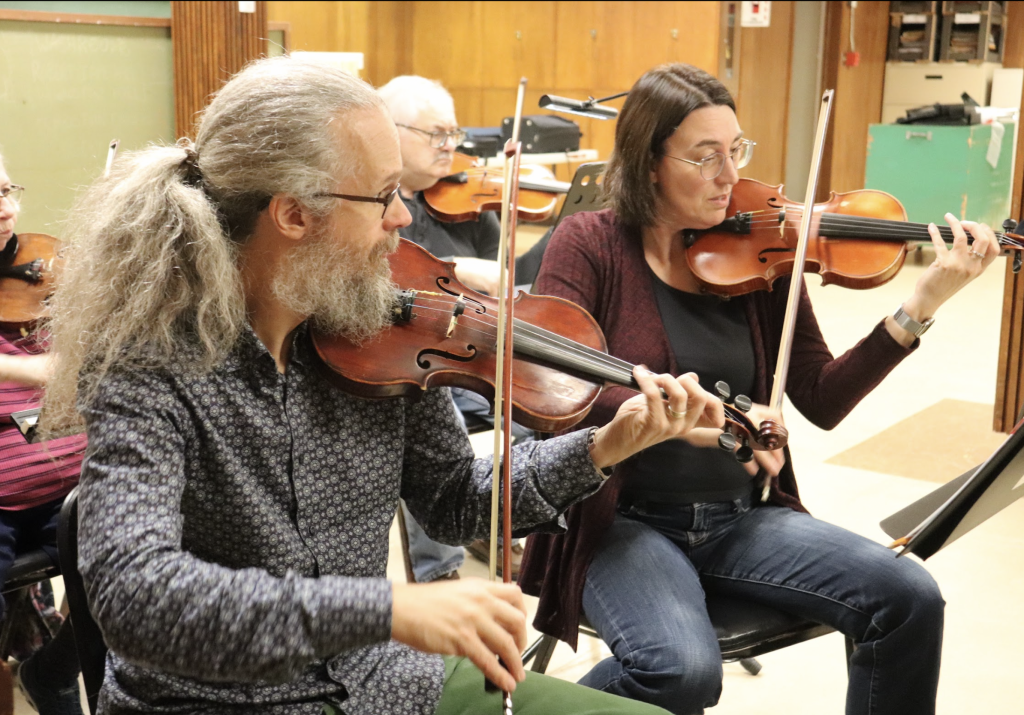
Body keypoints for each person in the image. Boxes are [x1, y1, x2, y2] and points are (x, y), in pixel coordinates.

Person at [40, 56, 727, 715]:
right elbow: (137, 596)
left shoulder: (381, 331)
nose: (404, 217)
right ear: (294, 215)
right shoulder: (151, 365)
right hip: (215, 700)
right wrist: (389, 608)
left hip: (382, 682)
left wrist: (604, 445)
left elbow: (458, 500)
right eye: (382, 196)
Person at [518, 63, 1000, 715]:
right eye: (705, 155)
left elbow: (821, 396)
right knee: (681, 672)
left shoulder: (767, 248)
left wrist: (922, 301)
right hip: (622, 520)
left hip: (740, 514)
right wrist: (665, 412)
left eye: (736, 150)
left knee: (908, 597)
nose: (729, 174)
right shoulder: (590, 244)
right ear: (649, 161)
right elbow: (551, 387)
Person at [378, 75, 536, 580]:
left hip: (472, 352)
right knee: (423, 420)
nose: (452, 147)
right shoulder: (373, 204)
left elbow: (509, 285)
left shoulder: (466, 204)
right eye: (436, 134)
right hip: (407, 363)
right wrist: (457, 268)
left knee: (543, 405)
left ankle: (491, 520)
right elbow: (374, 282)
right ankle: (438, 571)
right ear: (390, 129)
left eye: (454, 133)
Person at [0, 156, 86, 715]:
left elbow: (78, 364)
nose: (7, 208)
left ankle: (53, 672)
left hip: (69, 484)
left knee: (128, 562)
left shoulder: (41, 273)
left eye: (8, 190)